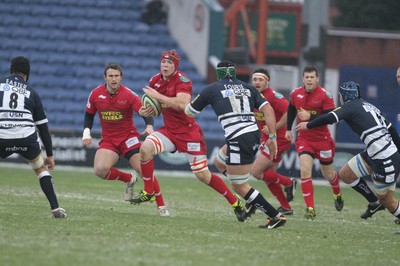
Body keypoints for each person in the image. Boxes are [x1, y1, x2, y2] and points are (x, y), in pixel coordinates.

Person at [130, 50, 247, 222]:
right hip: (169, 131)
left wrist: (159, 98)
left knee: (203, 175)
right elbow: (155, 106)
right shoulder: (154, 81)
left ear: (176, 65)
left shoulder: (183, 81)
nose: (165, 66)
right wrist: (144, 111)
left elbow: (183, 105)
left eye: (169, 63)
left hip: (188, 133)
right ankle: (149, 192)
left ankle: (235, 202)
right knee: (145, 149)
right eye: (163, 62)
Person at [185, 60, 287, 229]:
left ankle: (275, 216)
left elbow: (189, 112)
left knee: (239, 186)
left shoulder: (212, 89)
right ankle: (251, 197)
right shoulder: (249, 87)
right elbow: (268, 110)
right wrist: (273, 137)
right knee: (218, 162)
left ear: (218, 73)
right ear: (234, 72)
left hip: (238, 137)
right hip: (252, 134)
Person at [296, 81, 400, 224]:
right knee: (346, 174)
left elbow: (330, 118)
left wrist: (308, 124)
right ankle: (373, 203)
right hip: (374, 152)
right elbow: (392, 129)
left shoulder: (349, 107)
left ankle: (385, 206)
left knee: (388, 202)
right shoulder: (368, 105)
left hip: (385, 157)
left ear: (342, 95)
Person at [82, 62, 169, 216]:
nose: (113, 79)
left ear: (121, 77)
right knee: (100, 170)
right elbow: (89, 115)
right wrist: (86, 132)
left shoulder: (128, 94)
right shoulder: (95, 94)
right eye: (110, 76)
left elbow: (144, 111)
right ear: (105, 77)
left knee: (144, 172)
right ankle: (128, 179)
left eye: (116, 76)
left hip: (128, 138)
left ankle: (161, 206)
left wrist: (149, 125)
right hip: (109, 140)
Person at [214, 68, 297, 216]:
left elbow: (289, 112)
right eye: (254, 79)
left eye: (260, 80)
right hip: (264, 138)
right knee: (269, 176)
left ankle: (288, 182)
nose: (257, 82)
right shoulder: (250, 94)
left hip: (279, 139)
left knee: (256, 172)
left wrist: (275, 128)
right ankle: (285, 206)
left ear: (267, 82)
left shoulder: (273, 96)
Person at [0, 56, 66, 218]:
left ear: (11, 70)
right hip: (26, 137)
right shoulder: (32, 93)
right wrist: (49, 155)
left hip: (2, 135)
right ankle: (55, 209)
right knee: (40, 168)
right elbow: (43, 128)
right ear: (26, 74)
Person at [285, 65, 343, 220]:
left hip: (322, 139)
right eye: (307, 77)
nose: (309, 80)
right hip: (304, 139)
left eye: (312, 77)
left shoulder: (325, 95)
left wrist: (309, 117)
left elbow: (330, 116)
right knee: (305, 171)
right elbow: (291, 109)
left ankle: (337, 193)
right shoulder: (295, 93)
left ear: (317, 79)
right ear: (303, 78)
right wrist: (288, 129)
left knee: (328, 174)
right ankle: (310, 208)